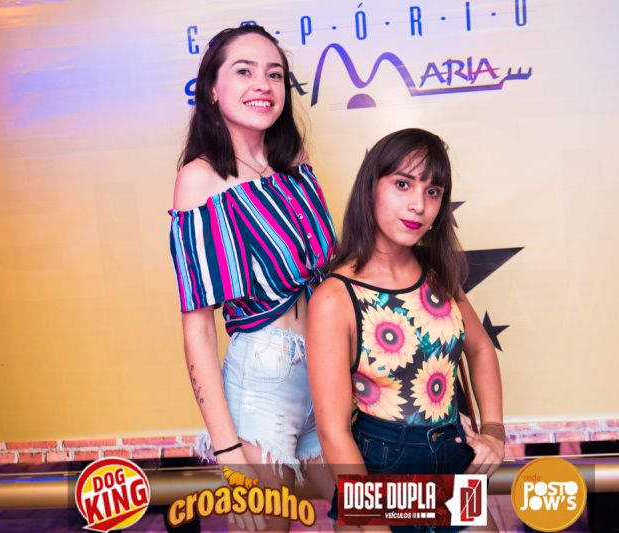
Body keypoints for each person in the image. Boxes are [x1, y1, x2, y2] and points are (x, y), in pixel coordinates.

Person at [168, 24, 336, 531]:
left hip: (327, 373)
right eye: (244, 71)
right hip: (262, 385)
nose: (263, 84)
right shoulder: (199, 180)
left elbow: (333, 279)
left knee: (375, 511)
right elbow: (198, 328)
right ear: (211, 89)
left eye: (275, 74)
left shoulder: (295, 165)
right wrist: (228, 450)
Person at [307, 128, 505, 531]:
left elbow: (481, 349)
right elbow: (333, 432)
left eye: (433, 191)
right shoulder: (335, 297)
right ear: (371, 188)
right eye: (403, 184)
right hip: (378, 468)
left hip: (453, 454)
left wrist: (494, 431)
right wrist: (370, 520)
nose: (419, 204)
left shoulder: (437, 274)